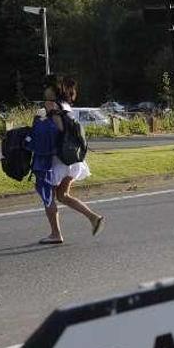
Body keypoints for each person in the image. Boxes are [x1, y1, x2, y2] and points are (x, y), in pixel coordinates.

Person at [32, 75, 104, 244]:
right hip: (73, 158)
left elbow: (58, 128)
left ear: (52, 89)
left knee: (48, 195)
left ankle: (56, 234)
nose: (44, 91)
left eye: (46, 87)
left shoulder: (51, 105)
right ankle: (94, 218)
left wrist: (41, 122)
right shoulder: (66, 105)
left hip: (58, 160)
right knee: (63, 195)